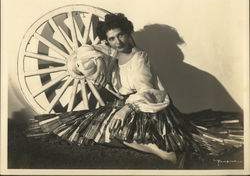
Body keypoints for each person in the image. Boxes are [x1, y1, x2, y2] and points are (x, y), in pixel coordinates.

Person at [26, 13, 243, 168]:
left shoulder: (140, 59)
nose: (117, 41)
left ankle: (170, 156)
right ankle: (164, 151)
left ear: (129, 33)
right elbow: (85, 54)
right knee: (95, 128)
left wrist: (127, 110)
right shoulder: (111, 54)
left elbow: (146, 90)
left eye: (120, 35)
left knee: (116, 128)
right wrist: (96, 57)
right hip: (127, 104)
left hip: (150, 106)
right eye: (111, 38)